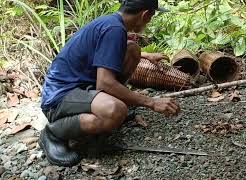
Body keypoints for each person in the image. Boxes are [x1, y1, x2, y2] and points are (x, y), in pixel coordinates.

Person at [39, 0, 181, 167]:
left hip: (78, 88)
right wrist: (152, 102)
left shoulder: (112, 23)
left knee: (133, 50)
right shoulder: (114, 29)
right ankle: (53, 133)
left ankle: (105, 109)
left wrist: (145, 55)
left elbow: (107, 50)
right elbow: (105, 83)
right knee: (115, 110)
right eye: (152, 15)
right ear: (145, 14)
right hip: (59, 98)